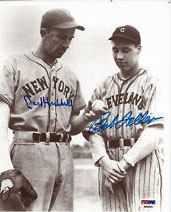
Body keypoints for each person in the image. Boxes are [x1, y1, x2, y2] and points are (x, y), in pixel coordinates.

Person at [0, 8, 107, 211]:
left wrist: (87, 117)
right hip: (28, 151)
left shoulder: (70, 75)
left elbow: (73, 126)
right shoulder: (15, 65)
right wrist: (4, 168)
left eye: (70, 39)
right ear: (43, 32)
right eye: (61, 37)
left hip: (65, 156)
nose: (66, 44)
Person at [83, 25, 164, 211]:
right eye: (115, 50)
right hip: (109, 164)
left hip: (144, 164)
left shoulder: (153, 82)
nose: (119, 56)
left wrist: (121, 165)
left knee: (147, 209)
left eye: (125, 50)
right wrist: (105, 163)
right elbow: (93, 131)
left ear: (139, 49)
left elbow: (155, 131)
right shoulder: (103, 86)